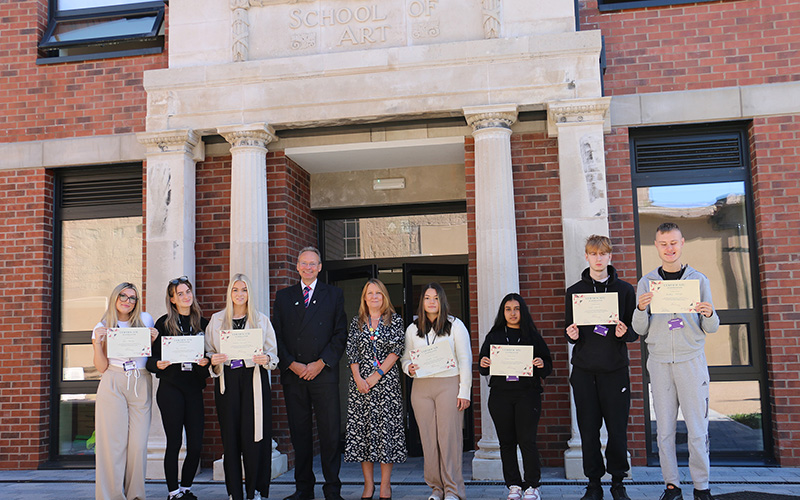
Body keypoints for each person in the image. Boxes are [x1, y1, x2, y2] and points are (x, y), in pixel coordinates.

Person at [633, 223, 719, 500]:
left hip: (690, 360)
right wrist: (640, 308)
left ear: (682, 243)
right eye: (663, 243)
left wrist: (709, 314)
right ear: (656, 246)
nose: (669, 248)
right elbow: (639, 329)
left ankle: (701, 487)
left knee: (697, 430)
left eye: (673, 243)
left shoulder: (699, 280)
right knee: (665, 431)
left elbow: (712, 327)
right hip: (659, 363)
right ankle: (672, 486)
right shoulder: (646, 283)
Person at [564, 235, 638, 500]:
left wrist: (624, 333)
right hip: (584, 371)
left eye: (603, 253)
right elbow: (569, 330)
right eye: (593, 254)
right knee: (588, 430)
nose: (598, 258)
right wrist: (571, 335)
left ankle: (618, 483)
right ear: (586, 256)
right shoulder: (574, 292)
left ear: (610, 256)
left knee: (617, 430)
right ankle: (593, 484)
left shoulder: (625, 290)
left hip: (615, 370)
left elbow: (634, 332)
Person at [273, 247, 348, 500]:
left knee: (330, 434)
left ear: (320, 267)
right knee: (300, 434)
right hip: (294, 375)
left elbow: (340, 333)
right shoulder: (284, 297)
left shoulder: (334, 294)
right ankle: (303, 489)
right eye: (304, 263)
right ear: (297, 266)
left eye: (313, 264)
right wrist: (291, 363)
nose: (308, 267)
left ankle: (332, 489)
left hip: (323, 374)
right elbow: (276, 336)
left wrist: (321, 363)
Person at [205, 273, 279, 500]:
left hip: (253, 381)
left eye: (244, 290)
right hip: (227, 381)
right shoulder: (217, 320)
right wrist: (213, 360)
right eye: (235, 290)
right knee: (230, 439)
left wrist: (267, 359)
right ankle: (234, 492)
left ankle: (254, 490)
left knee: (254, 437)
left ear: (249, 293)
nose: (239, 294)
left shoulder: (260, 320)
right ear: (229, 293)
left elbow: (273, 354)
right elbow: (208, 352)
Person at [400, 282, 472, 500]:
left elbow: (465, 359)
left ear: (442, 301)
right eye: (427, 298)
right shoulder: (412, 329)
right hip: (421, 388)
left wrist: (464, 391)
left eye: (435, 298)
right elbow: (405, 358)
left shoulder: (456, 325)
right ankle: (436, 489)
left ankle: (453, 490)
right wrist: (408, 368)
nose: (431, 302)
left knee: (449, 439)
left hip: (448, 384)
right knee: (429, 440)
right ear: (422, 302)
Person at [479, 293, 552, 500]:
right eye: (508, 309)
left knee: (527, 440)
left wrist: (540, 364)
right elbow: (483, 367)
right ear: (503, 312)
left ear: (523, 311)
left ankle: (532, 486)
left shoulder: (532, 336)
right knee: (506, 442)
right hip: (500, 396)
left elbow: (547, 367)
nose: (512, 313)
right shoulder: (494, 336)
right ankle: (514, 485)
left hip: (527, 395)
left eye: (517, 309)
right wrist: (484, 363)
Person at [92, 282, 158, 500]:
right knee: (114, 445)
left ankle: (136, 496)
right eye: (123, 296)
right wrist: (97, 343)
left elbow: (148, 355)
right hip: (113, 381)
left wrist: (153, 340)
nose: (127, 301)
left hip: (140, 381)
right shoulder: (103, 325)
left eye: (132, 297)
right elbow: (101, 367)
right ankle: (111, 496)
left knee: (138, 445)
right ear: (115, 297)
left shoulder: (146, 320)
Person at [146, 276, 210, 500]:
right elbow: (149, 359)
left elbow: (209, 360)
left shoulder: (203, 324)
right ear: (172, 299)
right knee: (174, 442)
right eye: (180, 294)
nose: (185, 297)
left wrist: (206, 362)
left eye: (188, 292)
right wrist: (158, 364)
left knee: (196, 445)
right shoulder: (163, 324)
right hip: (170, 389)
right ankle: (173, 492)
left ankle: (186, 489)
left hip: (194, 389)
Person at [344, 279, 407, 500]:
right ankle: (368, 485)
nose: (374, 297)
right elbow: (351, 352)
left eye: (378, 293)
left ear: (384, 296)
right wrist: (358, 378)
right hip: (360, 387)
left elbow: (396, 350)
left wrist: (376, 376)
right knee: (364, 435)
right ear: (364, 297)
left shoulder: (395, 320)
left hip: (386, 385)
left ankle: (385, 486)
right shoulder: (357, 322)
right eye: (369, 293)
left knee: (385, 435)